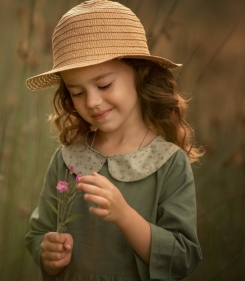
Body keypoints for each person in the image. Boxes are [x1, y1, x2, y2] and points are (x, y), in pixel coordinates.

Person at [24, 0, 203, 280]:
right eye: (77, 92)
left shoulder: (169, 163)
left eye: (104, 84)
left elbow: (181, 258)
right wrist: (49, 255)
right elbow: (38, 233)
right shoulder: (68, 159)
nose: (92, 102)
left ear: (139, 73)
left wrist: (124, 215)